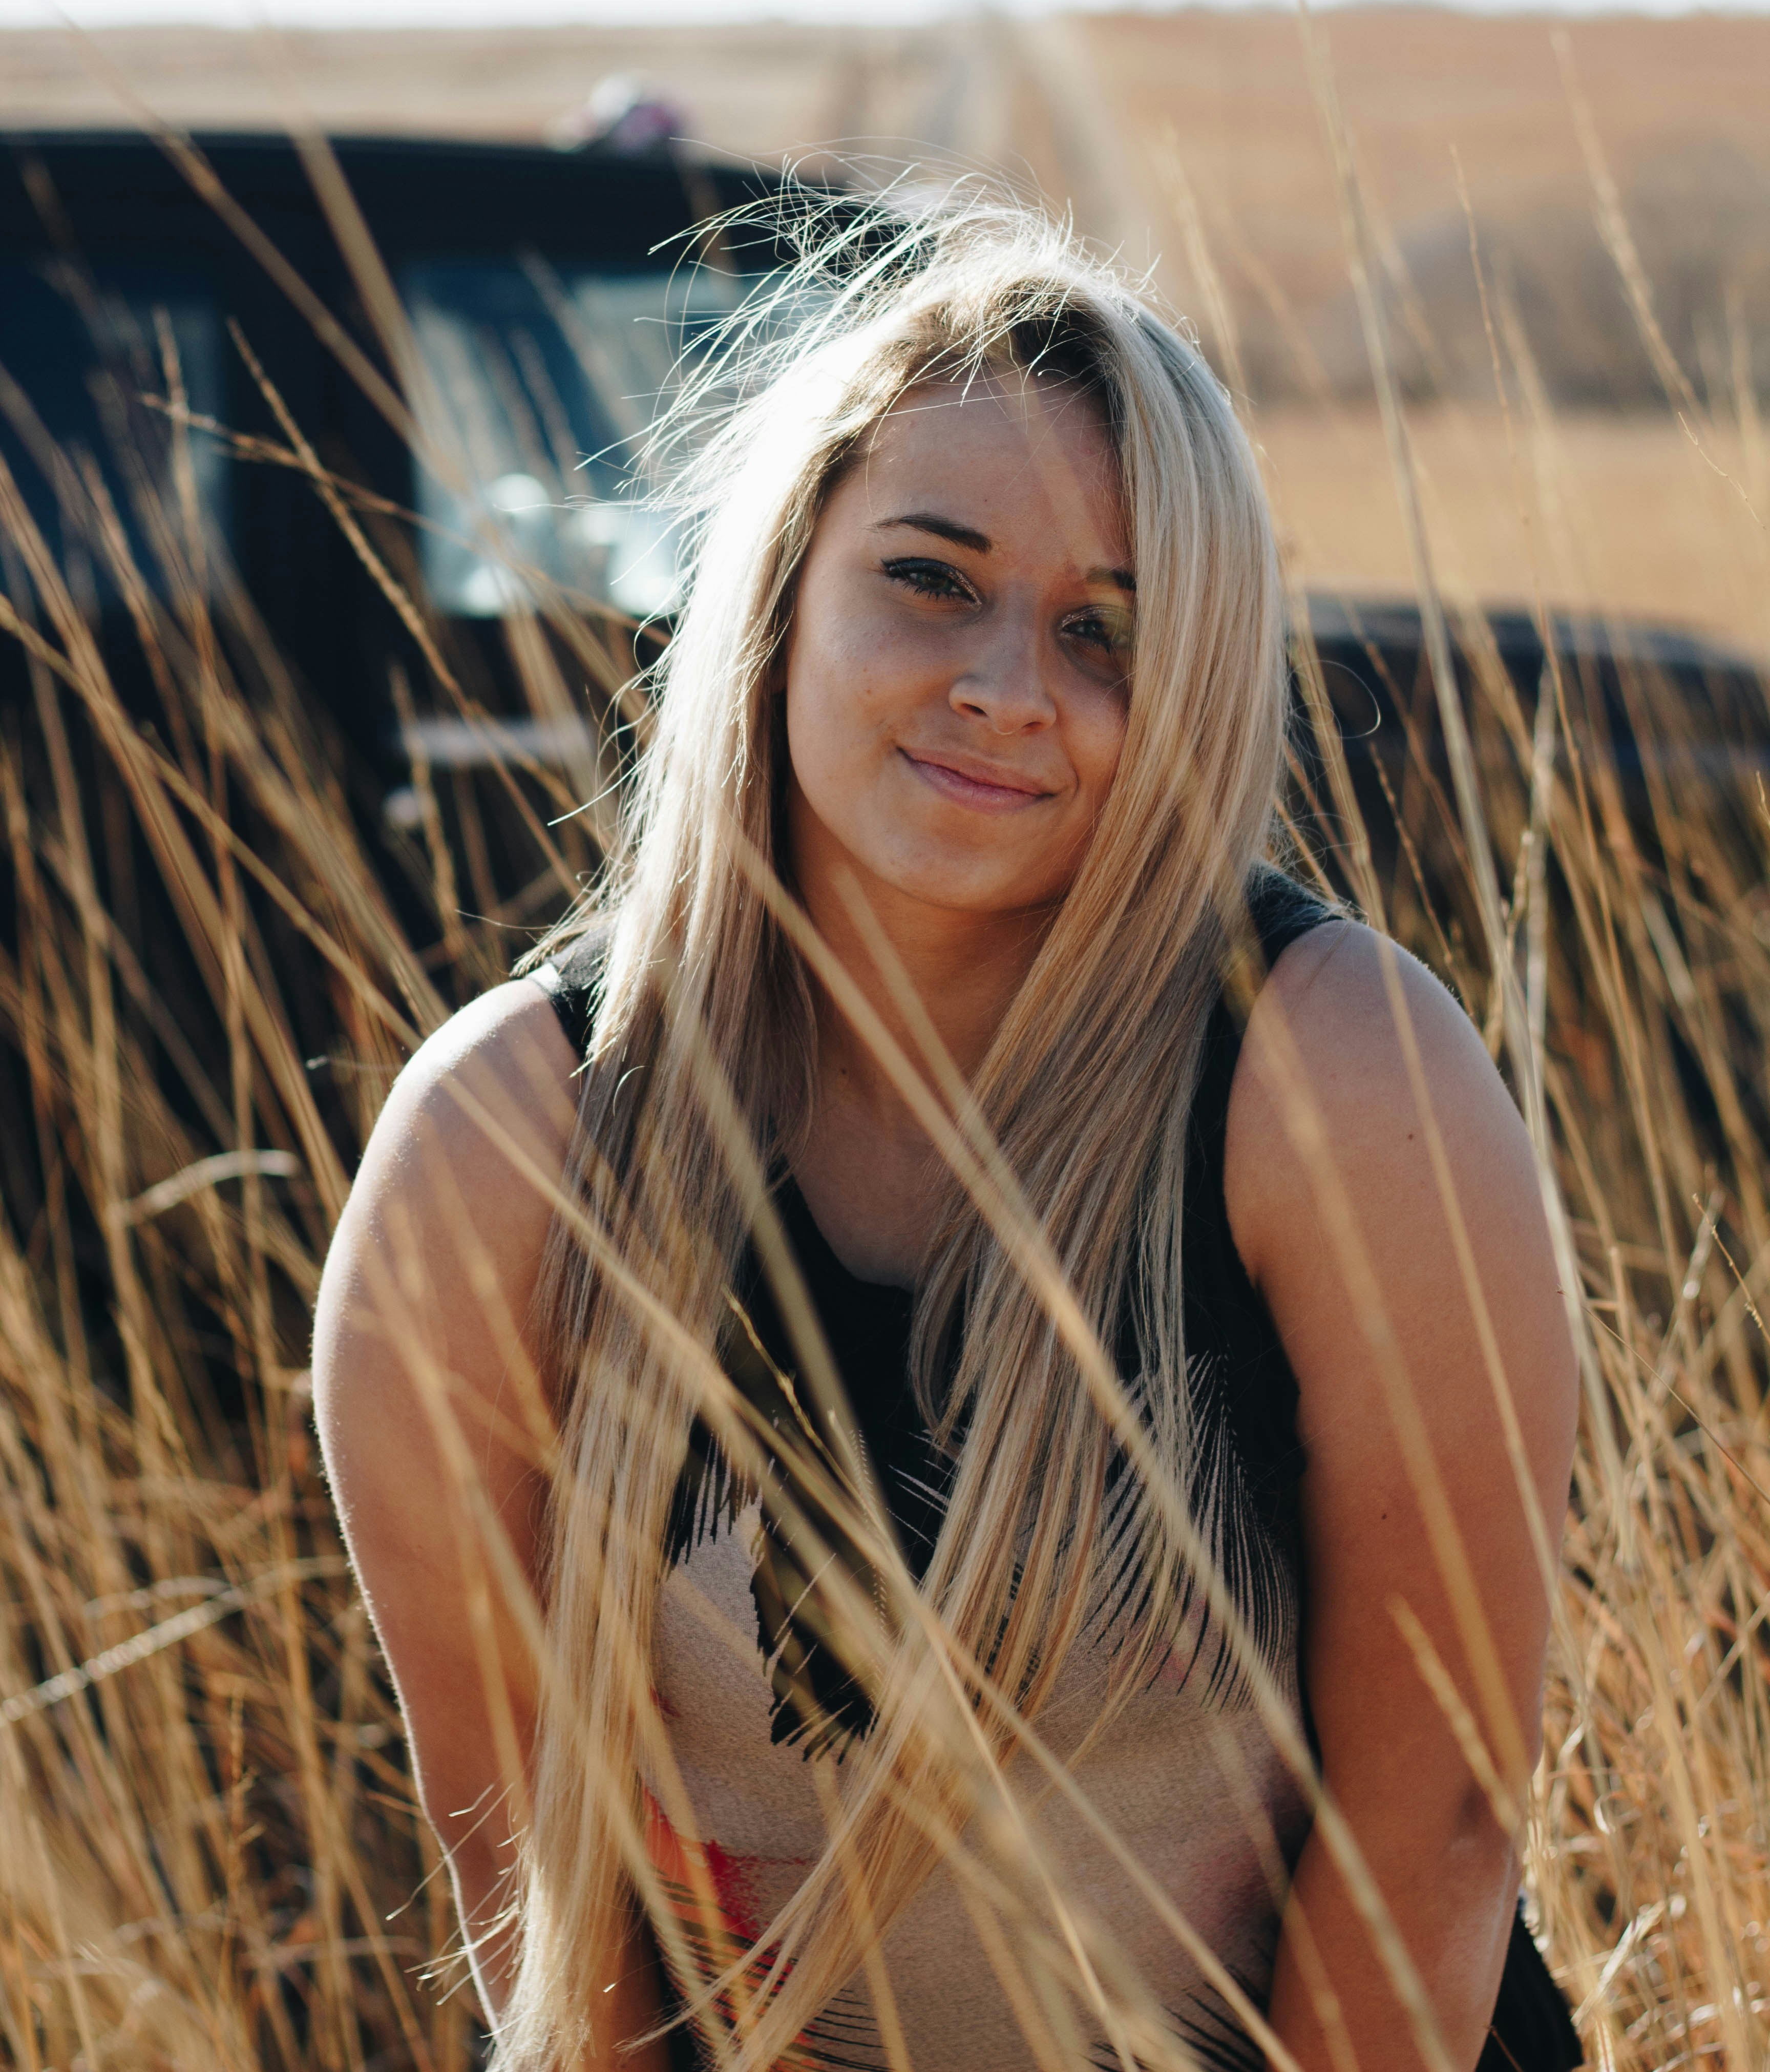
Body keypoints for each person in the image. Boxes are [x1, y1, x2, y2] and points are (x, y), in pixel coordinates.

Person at [313, 204, 1581, 2072]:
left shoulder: (1333, 1078)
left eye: (1104, 631)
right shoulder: (506, 1142)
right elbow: (534, 1877)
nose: (1007, 685)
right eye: (930, 578)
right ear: (780, 589)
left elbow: (1437, 1831)